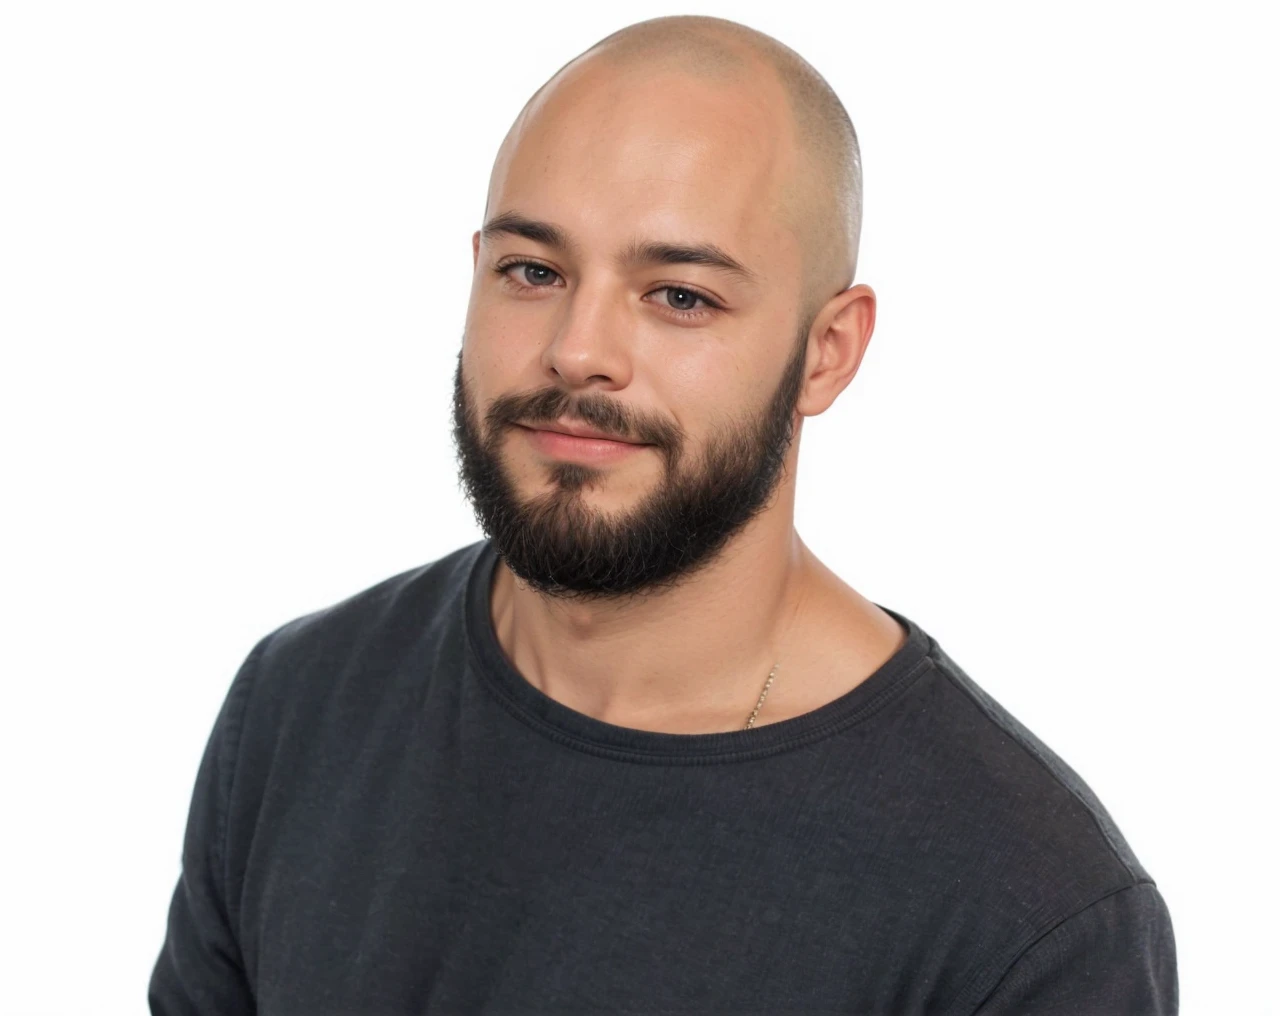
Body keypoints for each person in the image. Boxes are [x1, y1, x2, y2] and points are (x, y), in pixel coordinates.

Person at [149, 14, 1178, 1015]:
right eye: (532, 271)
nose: (576, 346)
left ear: (826, 352)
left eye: (678, 294)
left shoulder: (1025, 910)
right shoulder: (299, 706)